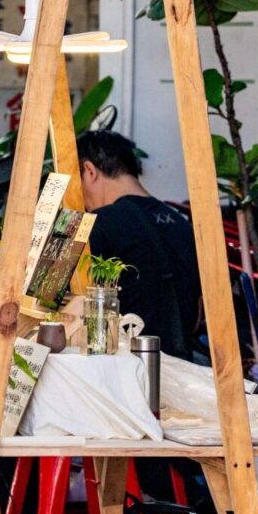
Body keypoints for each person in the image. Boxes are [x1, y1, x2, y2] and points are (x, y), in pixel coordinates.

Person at [77, 128, 204, 361]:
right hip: (183, 367)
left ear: (89, 171)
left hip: (125, 374)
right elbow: (197, 316)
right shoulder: (181, 222)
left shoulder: (97, 224)